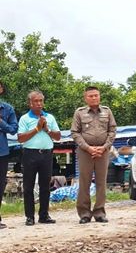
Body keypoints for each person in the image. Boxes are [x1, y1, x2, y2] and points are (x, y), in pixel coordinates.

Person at [71, 86, 117, 224]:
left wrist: (104, 147)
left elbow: (112, 130)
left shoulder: (107, 111)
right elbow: (75, 132)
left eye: (96, 95)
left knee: (101, 183)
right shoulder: (79, 113)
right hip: (85, 152)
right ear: (85, 98)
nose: (94, 98)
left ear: (99, 96)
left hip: (103, 152)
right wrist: (88, 148)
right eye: (90, 96)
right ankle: (84, 213)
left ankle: (99, 212)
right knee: (84, 182)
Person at [17, 90, 61, 226]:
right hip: (30, 154)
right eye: (35, 101)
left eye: (41, 101)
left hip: (46, 154)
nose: (39, 104)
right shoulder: (25, 118)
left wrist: (46, 129)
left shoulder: (50, 117)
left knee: (45, 186)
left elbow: (58, 137)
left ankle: (44, 215)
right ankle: (30, 216)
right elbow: (20, 138)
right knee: (28, 187)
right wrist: (37, 128)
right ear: (30, 103)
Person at [0, 80, 18, 229]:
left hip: (2, 152)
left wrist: (1, 122)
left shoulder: (7, 109)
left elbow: (13, 129)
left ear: (1, 90)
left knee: (0, 185)